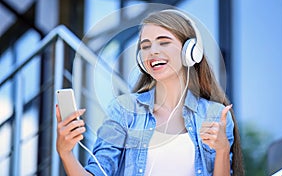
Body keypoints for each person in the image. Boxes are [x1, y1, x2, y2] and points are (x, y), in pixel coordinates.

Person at [56, 9, 244, 176]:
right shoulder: (124, 111)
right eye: (145, 46)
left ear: (190, 51)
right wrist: (66, 153)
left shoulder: (214, 114)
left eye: (163, 42)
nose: (153, 51)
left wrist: (222, 149)